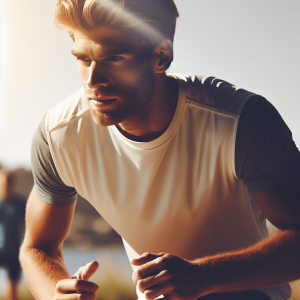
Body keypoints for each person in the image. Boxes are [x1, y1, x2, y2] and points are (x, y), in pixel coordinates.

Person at [19, 0, 300, 300]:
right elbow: (38, 247)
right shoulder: (58, 136)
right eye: (84, 59)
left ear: (161, 57)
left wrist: (205, 277)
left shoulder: (242, 122)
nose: (93, 81)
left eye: (114, 58)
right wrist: (54, 293)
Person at [0, 169, 26, 300]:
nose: (5, 185)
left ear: (12, 183)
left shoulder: (20, 204)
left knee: (12, 288)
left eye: (8, 182)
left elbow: (28, 226)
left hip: (15, 251)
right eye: (3, 182)